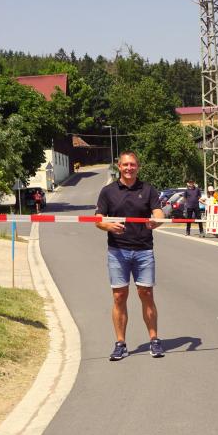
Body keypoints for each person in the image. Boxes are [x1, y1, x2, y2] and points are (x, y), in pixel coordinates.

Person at [95, 151, 165, 361]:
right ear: (119, 166)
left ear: (138, 167)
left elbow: (159, 213)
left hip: (143, 250)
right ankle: (120, 343)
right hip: (117, 251)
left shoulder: (148, 189)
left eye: (132, 165)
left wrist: (157, 221)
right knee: (119, 297)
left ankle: (154, 340)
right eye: (125, 165)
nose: (129, 168)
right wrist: (107, 226)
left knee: (146, 294)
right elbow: (98, 219)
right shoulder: (107, 191)